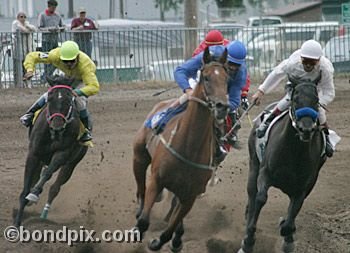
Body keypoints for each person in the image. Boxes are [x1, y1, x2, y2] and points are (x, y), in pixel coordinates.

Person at [252, 39, 335, 157]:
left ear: (319, 60)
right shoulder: (292, 63)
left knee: (320, 114)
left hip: (315, 92)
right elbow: (276, 74)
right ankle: (267, 122)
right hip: (295, 89)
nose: (308, 65)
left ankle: (326, 137)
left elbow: (329, 92)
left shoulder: (325, 69)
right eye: (305, 61)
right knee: (285, 102)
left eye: (312, 62)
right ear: (301, 58)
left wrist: (317, 103)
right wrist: (261, 91)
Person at [174, 41, 248, 164]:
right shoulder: (212, 54)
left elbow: (234, 100)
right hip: (200, 86)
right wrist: (187, 90)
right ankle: (159, 122)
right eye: (231, 64)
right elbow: (180, 71)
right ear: (225, 59)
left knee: (230, 119)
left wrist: (222, 107)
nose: (234, 68)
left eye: (237, 65)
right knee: (179, 103)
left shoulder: (241, 72)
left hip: (222, 95)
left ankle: (221, 145)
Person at [20, 40, 100, 143]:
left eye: (72, 61)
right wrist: (30, 70)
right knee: (50, 94)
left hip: (81, 80)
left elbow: (94, 86)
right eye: (65, 61)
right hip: (68, 77)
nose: (69, 64)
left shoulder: (86, 65)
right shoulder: (54, 55)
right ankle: (29, 114)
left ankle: (86, 130)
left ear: (77, 57)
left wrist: (78, 92)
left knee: (80, 101)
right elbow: (32, 56)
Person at [192, 29, 251, 149]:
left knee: (233, 107)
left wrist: (244, 93)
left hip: (224, 84)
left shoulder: (229, 50)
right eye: (211, 46)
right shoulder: (199, 52)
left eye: (218, 46)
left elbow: (244, 75)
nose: (215, 49)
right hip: (205, 82)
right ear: (206, 44)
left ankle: (232, 132)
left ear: (222, 43)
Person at [38, 0, 65, 80]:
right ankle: (46, 77)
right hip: (46, 41)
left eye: (55, 7)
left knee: (56, 59)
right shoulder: (42, 15)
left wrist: (60, 29)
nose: (53, 9)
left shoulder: (57, 15)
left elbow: (62, 25)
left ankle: (47, 75)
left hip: (55, 41)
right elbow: (40, 28)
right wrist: (49, 30)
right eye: (52, 7)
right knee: (47, 59)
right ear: (49, 6)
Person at [11, 11, 36, 85]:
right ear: (18, 18)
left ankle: (27, 83)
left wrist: (27, 26)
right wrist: (28, 29)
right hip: (18, 50)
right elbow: (23, 30)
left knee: (27, 67)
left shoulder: (27, 24)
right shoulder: (15, 24)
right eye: (21, 17)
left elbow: (34, 29)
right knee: (18, 69)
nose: (23, 18)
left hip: (27, 49)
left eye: (24, 17)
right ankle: (18, 84)